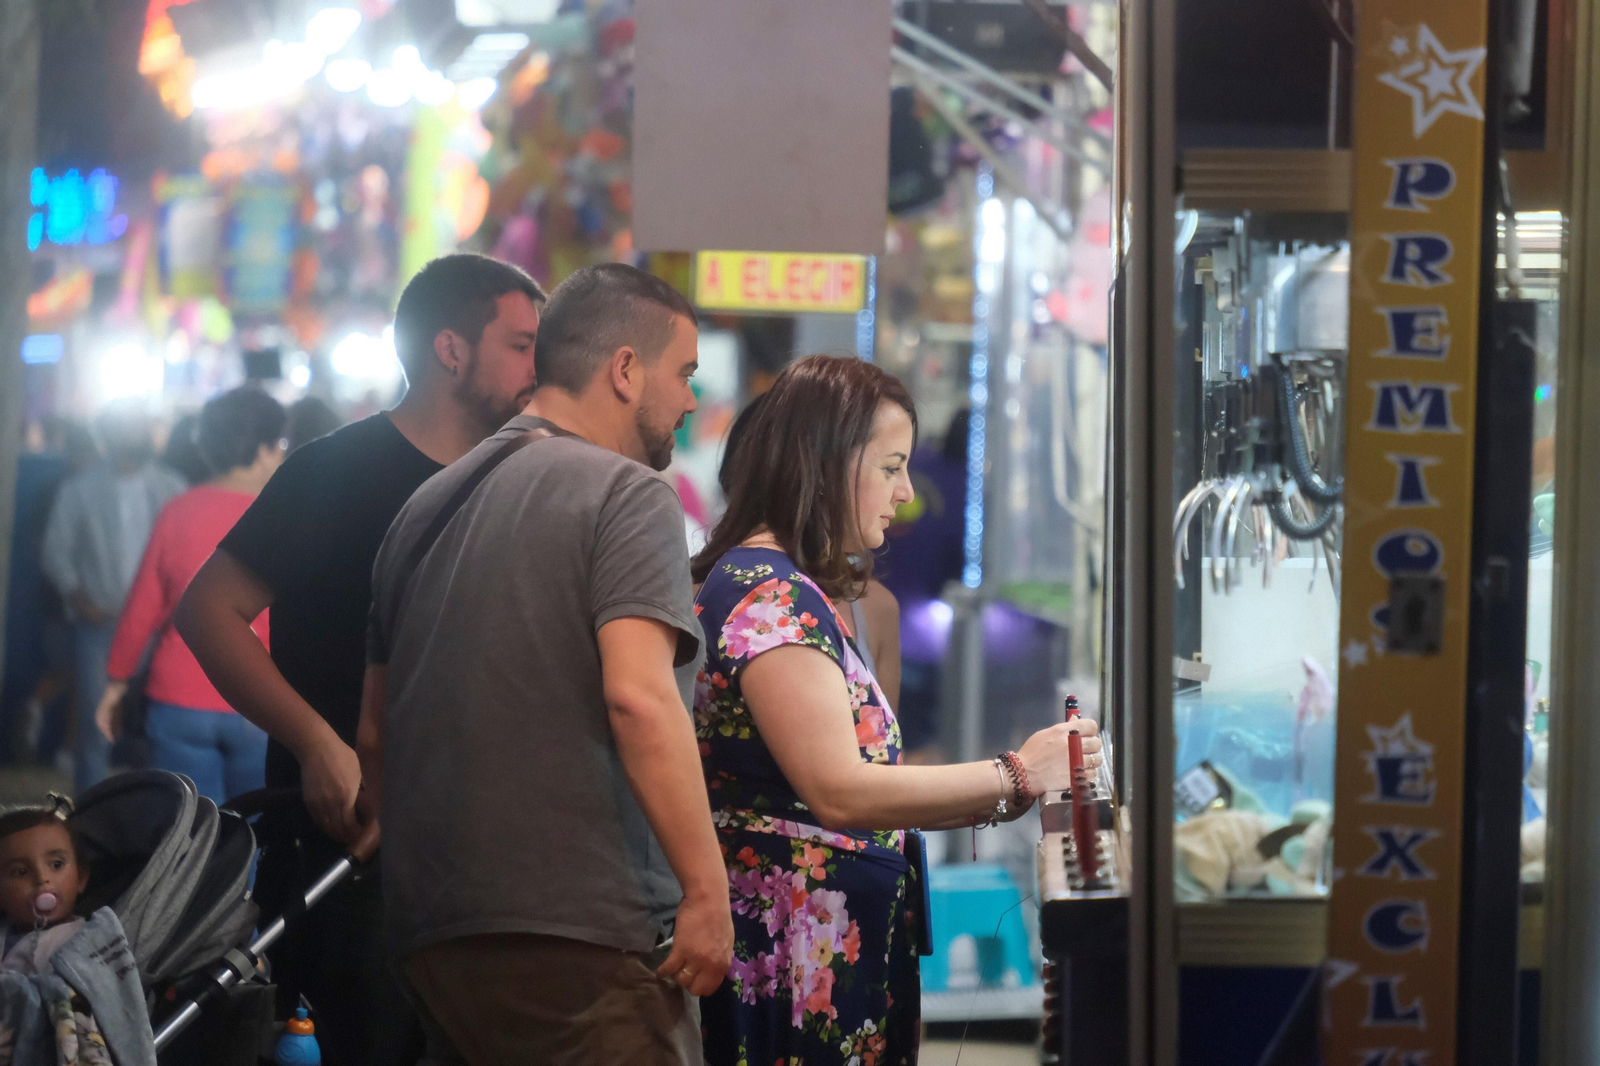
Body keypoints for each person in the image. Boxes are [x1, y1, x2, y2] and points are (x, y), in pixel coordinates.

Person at [174, 253, 545, 1066]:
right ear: (450, 350)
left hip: (491, 857)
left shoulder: (527, 477)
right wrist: (315, 743)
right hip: (355, 854)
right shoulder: (332, 471)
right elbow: (208, 610)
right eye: (520, 345)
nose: (538, 368)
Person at [360, 263, 732, 1065]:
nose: (691, 401)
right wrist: (706, 890)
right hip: (582, 943)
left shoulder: (424, 508)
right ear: (625, 371)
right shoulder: (626, 496)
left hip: (436, 940)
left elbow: (374, 733)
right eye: (685, 373)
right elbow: (640, 697)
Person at [691, 355, 1099, 1066]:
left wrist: (1003, 791)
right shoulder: (771, 595)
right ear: (825, 463)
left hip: (822, 945)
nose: (907, 492)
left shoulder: (793, 589)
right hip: (794, 957)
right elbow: (841, 790)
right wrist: (1016, 772)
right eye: (890, 467)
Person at [96, 387, 287, 804]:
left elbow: (142, 608)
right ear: (263, 449)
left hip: (178, 698)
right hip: (259, 697)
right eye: (280, 445)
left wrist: (115, 684)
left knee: (192, 836)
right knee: (252, 834)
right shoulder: (285, 517)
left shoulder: (178, 510)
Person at [718, 394, 902, 707]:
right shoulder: (764, 589)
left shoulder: (876, 607)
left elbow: (886, 749)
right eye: (890, 469)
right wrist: (1011, 760)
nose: (904, 493)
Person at [42, 402, 186, 794]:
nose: (138, 434)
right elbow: (56, 551)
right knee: (94, 729)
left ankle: (156, 817)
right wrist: (79, 598)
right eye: (128, 427)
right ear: (110, 435)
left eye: (141, 426)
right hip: (101, 625)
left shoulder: (171, 487)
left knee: (157, 726)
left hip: (160, 628)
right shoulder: (81, 489)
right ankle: (90, 821)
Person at [0, 796, 88, 974]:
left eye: (56, 865)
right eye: (21, 872)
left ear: (81, 878)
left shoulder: (86, 941)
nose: (41, 878)